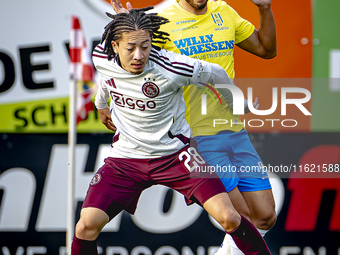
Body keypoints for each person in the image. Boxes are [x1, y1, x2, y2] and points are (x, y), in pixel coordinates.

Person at [71, 7, 271, 255]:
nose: (139, 55)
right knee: (85, 227)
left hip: (176, 156)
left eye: (145, 46)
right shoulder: (101, 55)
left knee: (230, 217)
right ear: (114, 46)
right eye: (131, 48)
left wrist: (236, 100)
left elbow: (216, 72)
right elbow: (106, 76)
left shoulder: (173, 67)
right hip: (125, 160)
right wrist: (102, 105)